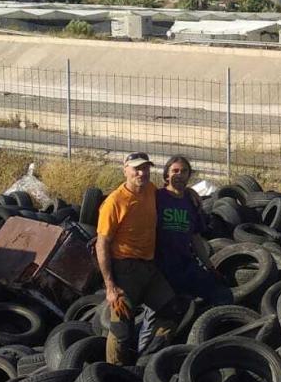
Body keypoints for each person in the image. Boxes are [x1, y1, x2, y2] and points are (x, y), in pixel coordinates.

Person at [95, 151, 178, 366]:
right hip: (125, 270)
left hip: (148, 267)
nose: (142, 173)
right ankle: (113, 374)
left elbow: (171, 193)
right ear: (125, 170)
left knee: (172, 311)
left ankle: (145, 362)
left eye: (146, 168)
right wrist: (110, 286)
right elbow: (101, 244)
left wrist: (192, 196)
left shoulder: (150, 190)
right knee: (121, 328)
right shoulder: (115, 202)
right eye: (137, 169)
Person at [154, 155, 233, 306]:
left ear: (189, 175)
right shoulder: (156, 197)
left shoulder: (191, 202)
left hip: (185, 264)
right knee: (169, 309)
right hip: (161, 267)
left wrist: (210, 266)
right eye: (174, 171)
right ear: (166, 175)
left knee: (219, 293)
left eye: (183, 171)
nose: (179, 175)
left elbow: (195, 238)